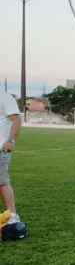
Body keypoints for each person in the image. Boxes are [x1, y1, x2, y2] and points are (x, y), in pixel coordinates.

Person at [0, 90, 22, 224]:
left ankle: (13, 215)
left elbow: (17, 119)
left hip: (2, 146)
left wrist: (9, 141)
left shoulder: (5, 97)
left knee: (2, 181)